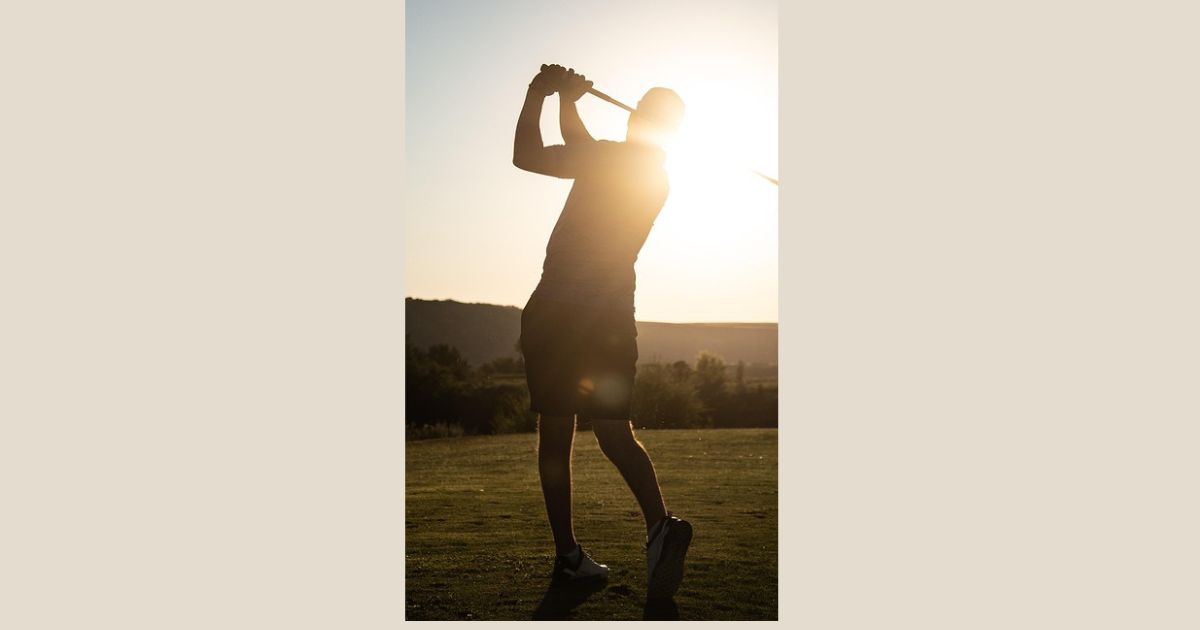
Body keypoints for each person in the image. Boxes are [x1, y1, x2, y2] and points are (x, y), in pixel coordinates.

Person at [512, 63, 692, 599]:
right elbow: (583, 147)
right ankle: (659, 530)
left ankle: (569, 558)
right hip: (611, 320)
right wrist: (570, 101)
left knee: (555, 435)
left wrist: (540, 93)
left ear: (638, 118)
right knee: (616, 431)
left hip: (558, 315)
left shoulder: (608, 158)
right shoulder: (654, 176)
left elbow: (528, 155)